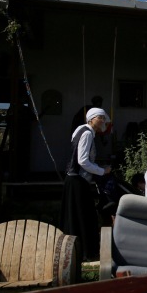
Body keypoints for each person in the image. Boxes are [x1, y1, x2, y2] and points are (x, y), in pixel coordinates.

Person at [61, 107, 111, 261]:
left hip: (73, 180)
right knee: (84, 217)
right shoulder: (88, 133)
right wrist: (102, 171)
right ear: (91, 119)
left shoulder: (80, 130)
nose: (102, 120)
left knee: (75, 216)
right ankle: (84, 253)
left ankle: (74, 252)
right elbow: (82, 160)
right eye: (99, 117)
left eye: (103, 118)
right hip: (78, 181)